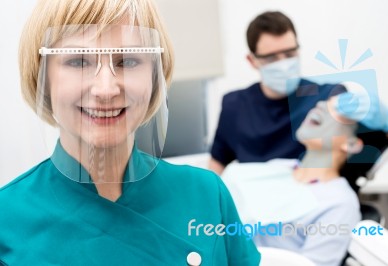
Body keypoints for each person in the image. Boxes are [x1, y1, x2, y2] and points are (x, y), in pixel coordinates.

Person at [0, 0, 261, 265]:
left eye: (128, 60)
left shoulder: (206, 194)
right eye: (78, 61)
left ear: (155, 75)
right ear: (42, 78)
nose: (106, 89)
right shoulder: (6, 220)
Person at [209, 11, 388, 191]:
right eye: (271, 58)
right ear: (252, 60)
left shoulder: (329, 96)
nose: (283, 64)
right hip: (255, 209)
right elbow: (216, 165)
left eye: (290, 54)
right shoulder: (234, 106)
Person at [222, 96, 363, 266]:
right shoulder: (278, 167)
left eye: (337, 111)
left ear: (352, 143)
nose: (320, 106)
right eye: (324, 102)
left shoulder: (339, 203)